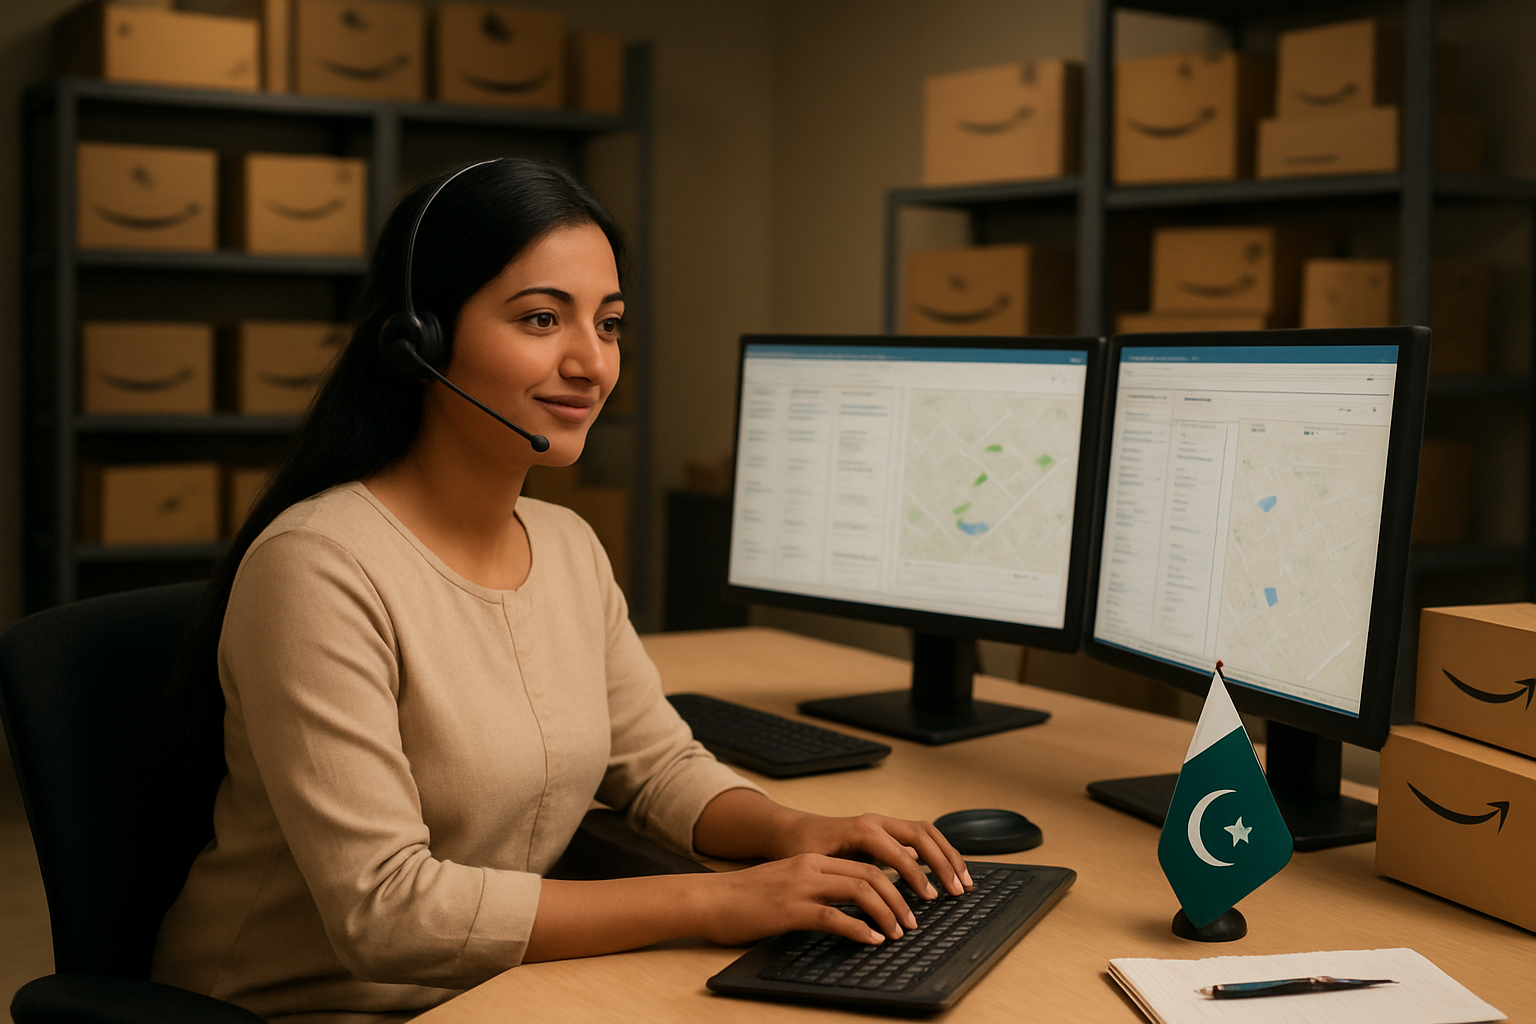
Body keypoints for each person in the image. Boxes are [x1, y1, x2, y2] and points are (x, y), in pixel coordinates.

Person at [152, 158, 971, 1023]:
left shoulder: (567, 545)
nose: (591, 363)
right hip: (298, 1008)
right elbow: (386, 911)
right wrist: (719, 900)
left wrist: (796, 831)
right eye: (541, 319)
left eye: (608, 325)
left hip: (484, 994)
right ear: (421, 340)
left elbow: (656, 767)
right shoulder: (317, 566)